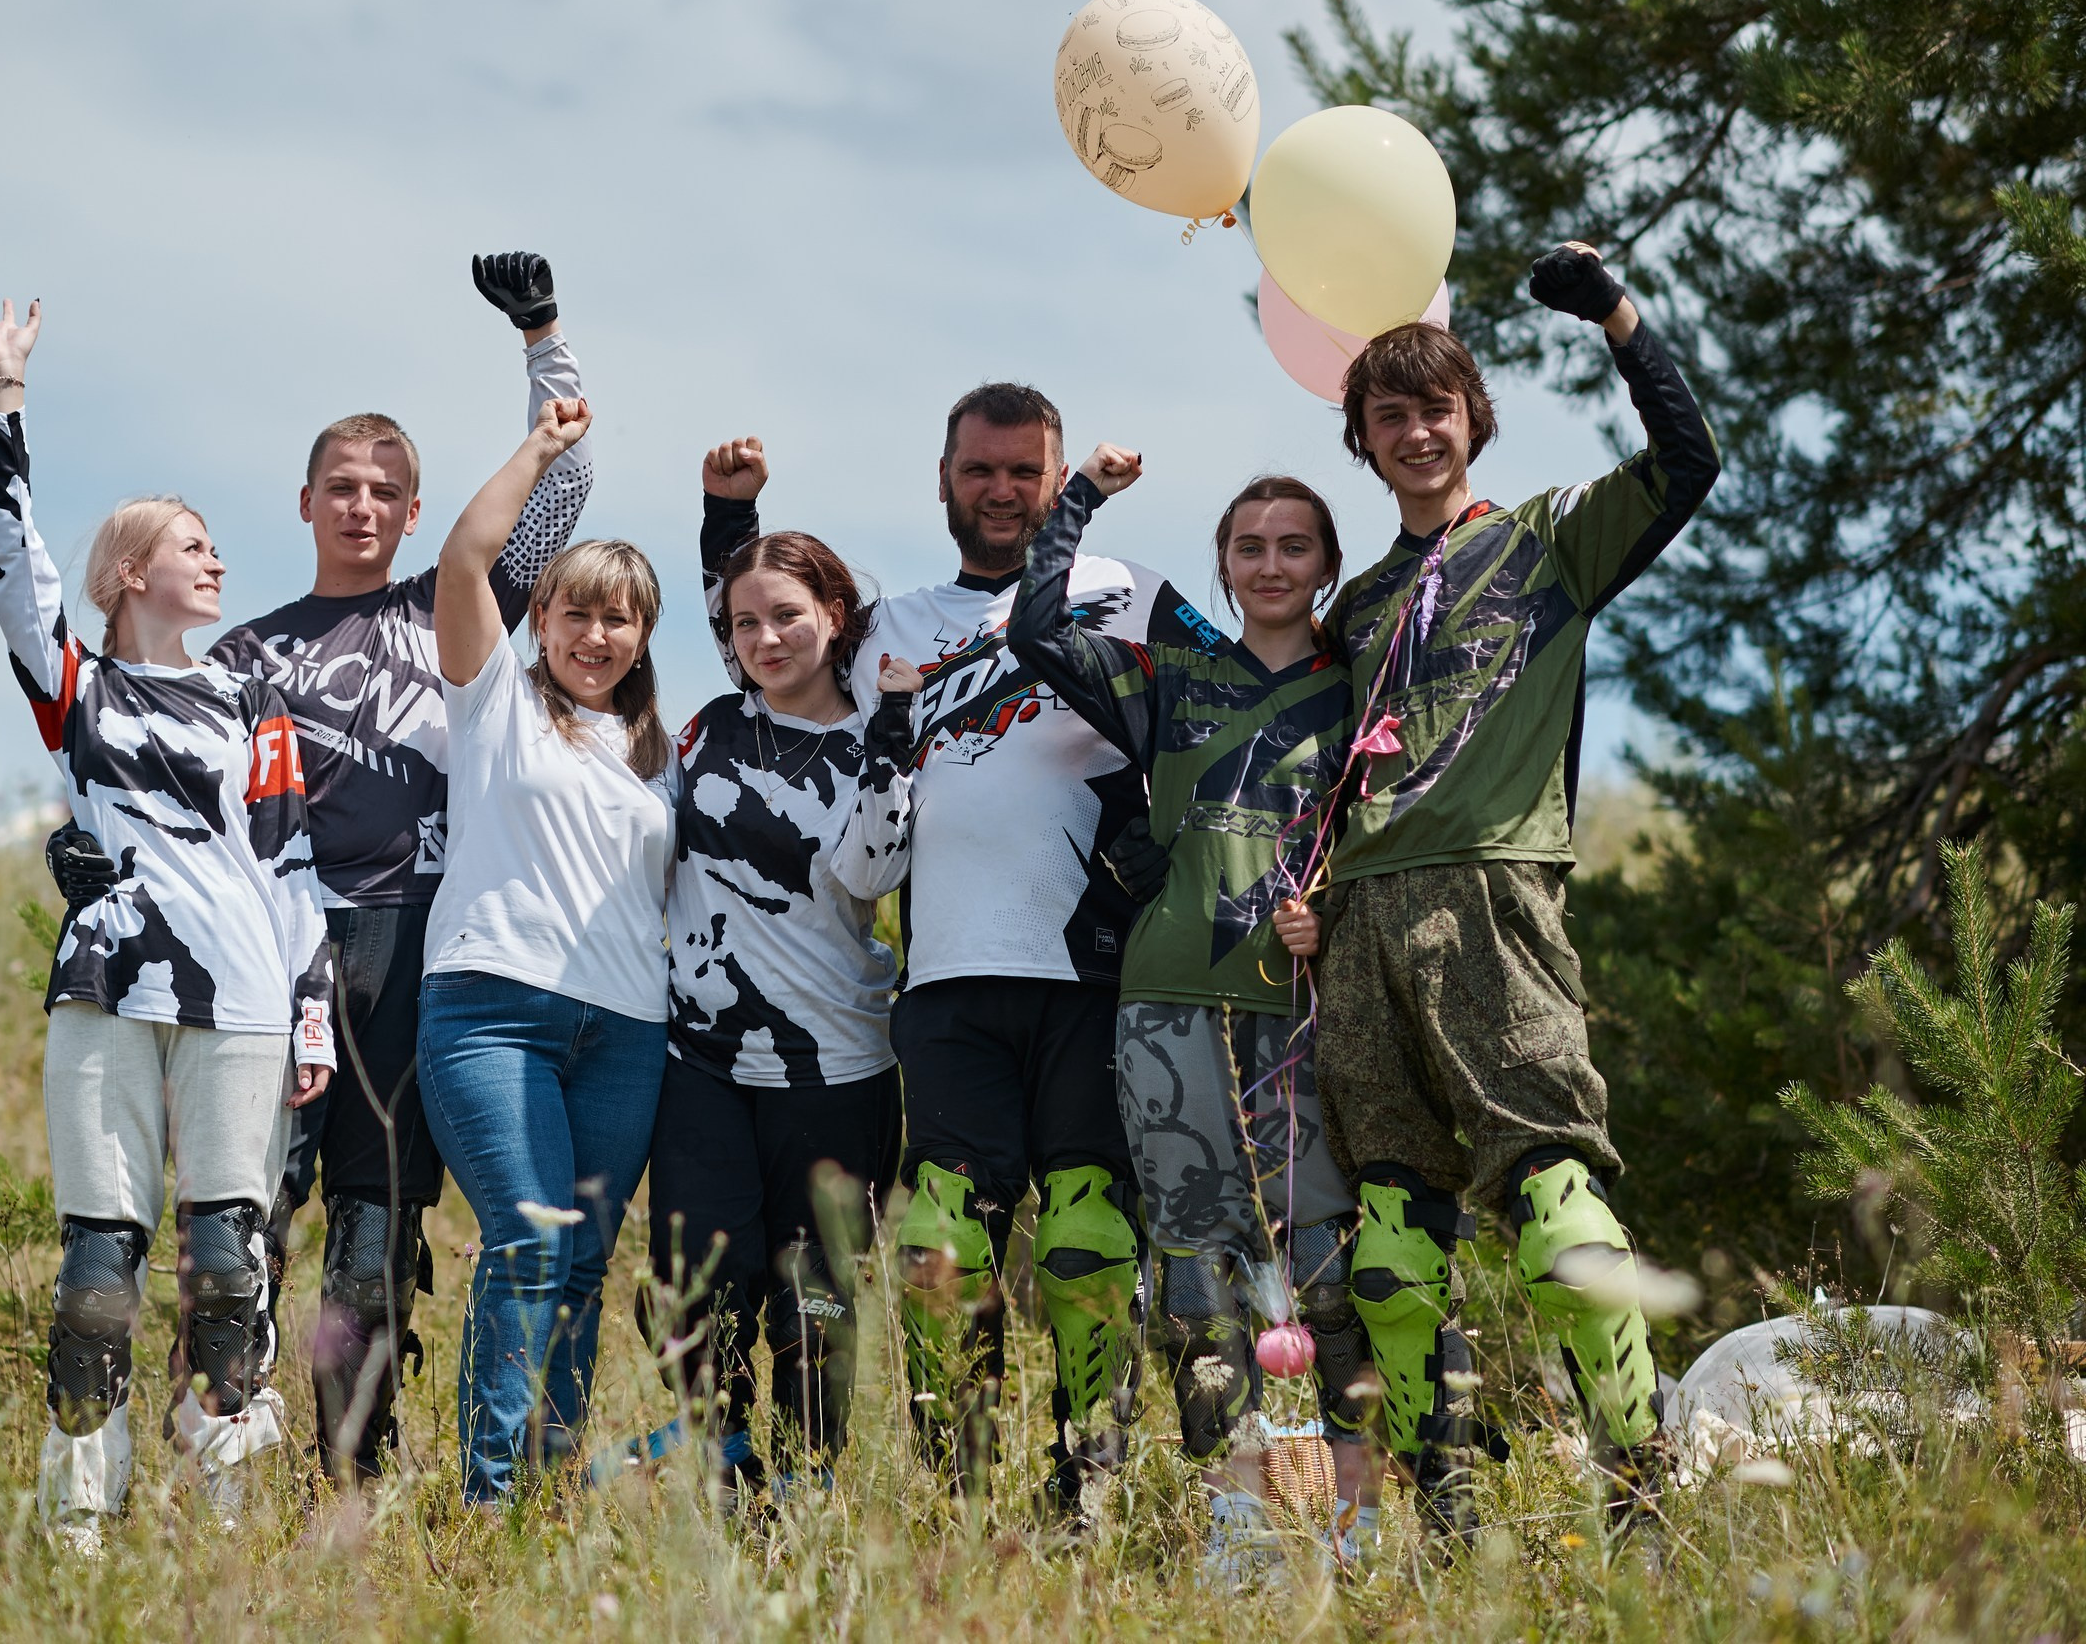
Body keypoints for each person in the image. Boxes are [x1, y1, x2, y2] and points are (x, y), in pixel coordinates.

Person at [46, 253, 592, 1480]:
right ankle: (220, 1454)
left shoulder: (455, 603)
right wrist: (80, 853)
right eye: (339, 486)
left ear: (412, 509)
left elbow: (559, 497)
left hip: (415, 941)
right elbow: (132, 755)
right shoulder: (233, 653)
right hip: (258, 954)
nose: (361, 505)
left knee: (369, 1237)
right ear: (302, 504)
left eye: (384, 489)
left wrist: (542, 342)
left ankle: (354, 1463)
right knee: (247, 1226)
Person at [702, 387, 1218, 1509]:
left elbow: (1245, 691)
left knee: (1085, 1237)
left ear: (1057, 478)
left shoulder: (1123, 588)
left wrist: (1177, 836)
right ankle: (960, 1486)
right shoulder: (890, 623)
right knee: (940, 1245)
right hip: (941, 978)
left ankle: (1088, 1475)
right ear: (941, 480)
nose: (999, 491)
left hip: (1089, 971)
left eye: (1023, 472)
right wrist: (729, 513)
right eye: (978, 470)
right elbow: (757, 631)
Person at [1312, 244, 1720, 1542]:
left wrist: (1615, 311)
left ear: (1471, 419)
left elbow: (1689, 461)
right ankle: (1449, 1512)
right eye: (1391, 415)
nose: (1418, 429)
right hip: (1362, 922)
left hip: (1495, 898)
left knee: (1560, 1217)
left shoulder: (1546, 540)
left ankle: (1641, 1490)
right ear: (1364, 442)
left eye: (1437, 407)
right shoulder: (1356, 604)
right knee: (1392, 1244)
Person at [0, 299, 334, 1549]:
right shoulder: (78, 688)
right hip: (107, 988)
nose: (216, 562)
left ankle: (221, 1514)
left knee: (229, 1261)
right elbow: (16, 568)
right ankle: (79, 1522)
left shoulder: (254, 697)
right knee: (97, 1272)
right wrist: (7, 402)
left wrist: (314, 1004)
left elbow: (291, 863)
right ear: (131, 572)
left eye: (217, 545)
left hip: (243, 997)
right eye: (194, 543)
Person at [1011, 462, 1381, 1579]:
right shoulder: (1166, 673)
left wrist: (1342, 913)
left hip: (1302, 1006)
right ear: (1222, 566)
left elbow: (1394, 836)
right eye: (1250, 546)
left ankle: (1357, 1527)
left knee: (1326, 1264)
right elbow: (1035, 627)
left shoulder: (1361, 685)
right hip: (1166, 1004)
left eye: (1295, 545)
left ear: (1326, 564)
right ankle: (1236, 1525)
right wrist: (1074, 499)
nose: (1271, 564)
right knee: (1195, 1263)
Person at [630, 441, 918, 1493]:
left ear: (835, 614)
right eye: (746, 623)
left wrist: (889, 735)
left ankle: (811, 1481)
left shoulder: (878, 741)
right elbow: (728, 575)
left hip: (836, 1064)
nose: (763, 636)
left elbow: (866, 868)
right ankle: (721, 1459)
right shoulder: (714, 723)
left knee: (817, 1295)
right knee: (700, 1278)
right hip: (701, 1057)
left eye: (787, 615)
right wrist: (728, 501)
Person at [418, 391, 672, 1503]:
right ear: (543, 619)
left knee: (581, 1261)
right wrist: (542, 444)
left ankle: (551, 1481)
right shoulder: (493, 705)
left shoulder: (665, 748)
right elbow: (465, 559)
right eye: (575, 612)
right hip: (492, 1007)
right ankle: (489, 1498)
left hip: (626, 1030)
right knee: (525, 1238)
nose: (594, 635)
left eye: (618, 619)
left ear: (642, 636)